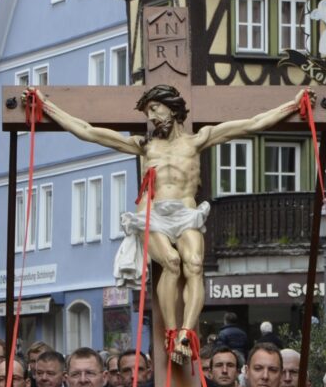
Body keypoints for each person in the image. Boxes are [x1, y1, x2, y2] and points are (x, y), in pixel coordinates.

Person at [29, 84, 309, 365]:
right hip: (154, 216)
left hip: (186, 213)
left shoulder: (198, 140)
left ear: (172, 108)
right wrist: (47, 107)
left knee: (195, 263)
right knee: (172, 262)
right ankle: (171, 332)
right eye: (148, 112)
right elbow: (88, 131)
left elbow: (252, 124)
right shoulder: (145, 146)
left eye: (154, 108)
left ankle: (186, 333)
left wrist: (293, 106)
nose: (151, 117)